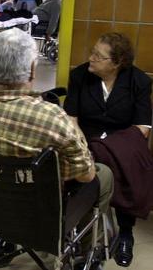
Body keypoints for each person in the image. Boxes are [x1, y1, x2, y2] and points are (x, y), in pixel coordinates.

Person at [0, 28, 114, 262]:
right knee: (103, 174)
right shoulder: (51, 117)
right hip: (38, 212)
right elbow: (86, 175)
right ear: (31, 69)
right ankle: (88, 250)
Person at [64, 32, 152, 267]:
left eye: (98, 56)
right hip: (87, 139)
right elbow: (71, 118)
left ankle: (125, 233)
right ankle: (82, 229)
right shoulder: (80, 75)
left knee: (126, 164)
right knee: (84, 163)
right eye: (93, 52)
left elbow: (143, 127)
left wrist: (110, 146)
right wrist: (83, 144)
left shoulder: (138, 81)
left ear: (117, 63)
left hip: (123, 140)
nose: (90, 57)